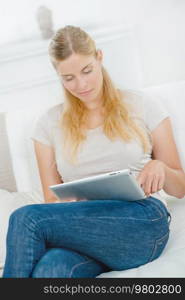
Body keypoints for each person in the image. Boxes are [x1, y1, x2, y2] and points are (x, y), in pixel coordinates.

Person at [3, 25, 185, 278]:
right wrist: (67, 203)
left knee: (26, 218)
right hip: (84, 230)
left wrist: (161, 168)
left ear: (99, 57)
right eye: (69, 78)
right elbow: (51, 201)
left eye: (87, 71)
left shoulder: (143, 105)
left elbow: (180, 188)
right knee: (51, 268)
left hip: (140, 222)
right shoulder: (48, 124)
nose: (81, 84)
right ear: (57, 74)